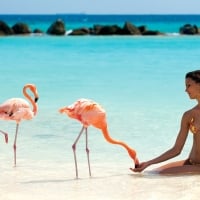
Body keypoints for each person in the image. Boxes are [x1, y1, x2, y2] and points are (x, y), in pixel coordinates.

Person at [131, 70, 200, 174]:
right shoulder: (188, 115)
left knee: (159, 174)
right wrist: (149, 163)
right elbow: (177, 149)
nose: (186, 90)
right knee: (154, 171)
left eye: (188, 85)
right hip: (190, 162)